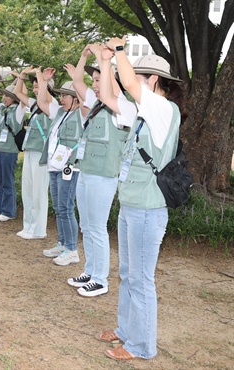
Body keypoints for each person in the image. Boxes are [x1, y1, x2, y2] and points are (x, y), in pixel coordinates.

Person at [99, 36, 184, 361]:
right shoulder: (141, 112)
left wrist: (120, 50)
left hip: (148, 209)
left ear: (155, 81)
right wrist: (106, 61)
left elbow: (129, 84)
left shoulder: (162, 109)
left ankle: (141, 346)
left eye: (141, 76)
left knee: (141, 279)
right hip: (131, 205)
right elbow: (108, 95)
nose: (134, 81)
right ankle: (126, 331)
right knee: (127, 274)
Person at [68, 44, 137, 297]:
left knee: (97, 226)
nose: (94, 85)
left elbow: (114, 91)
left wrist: (104, 59)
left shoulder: (122, 108)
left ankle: (100, 279)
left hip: (103, 176)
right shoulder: (96, 105)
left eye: (99, 80)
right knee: (86, 225)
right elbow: (76, 80)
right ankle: (90, 269)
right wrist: (85, 55)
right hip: (85, 172)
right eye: (94, 80)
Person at [35, 67, 87, 265]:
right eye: (62, 95)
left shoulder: (81, 115)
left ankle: (72, 249)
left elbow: (86, 100)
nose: (62, 98)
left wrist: (77, 79)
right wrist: (43, 82)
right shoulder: (59, 113)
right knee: (58, 208)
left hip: (70, 168)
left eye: (66, 95)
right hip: (54, 167)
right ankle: (63, 243)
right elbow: (41, 102)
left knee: (66, 207)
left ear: (75, 98)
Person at [13, 66, 57, 239]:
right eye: (35, 87)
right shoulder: (34, 105)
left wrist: (40, 76)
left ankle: (39, 230)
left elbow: (44, 97)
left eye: (38, 86)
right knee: (28, 190)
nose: (35, 89)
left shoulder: (52, 105)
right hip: (30, 149)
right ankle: (28, 226)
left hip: (42, 153)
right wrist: (22, 77)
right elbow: (18, 94)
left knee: (39, 192)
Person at [0, 71, 28, 221]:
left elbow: (25, 95)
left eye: (7, 95)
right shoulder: (2, 109)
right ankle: (0, 207)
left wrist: (20, 78)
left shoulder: (19, 110)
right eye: (3, 95)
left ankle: (9, 211)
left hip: (9, 152)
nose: (4, 98)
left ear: (14, 97)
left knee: (7, 181)